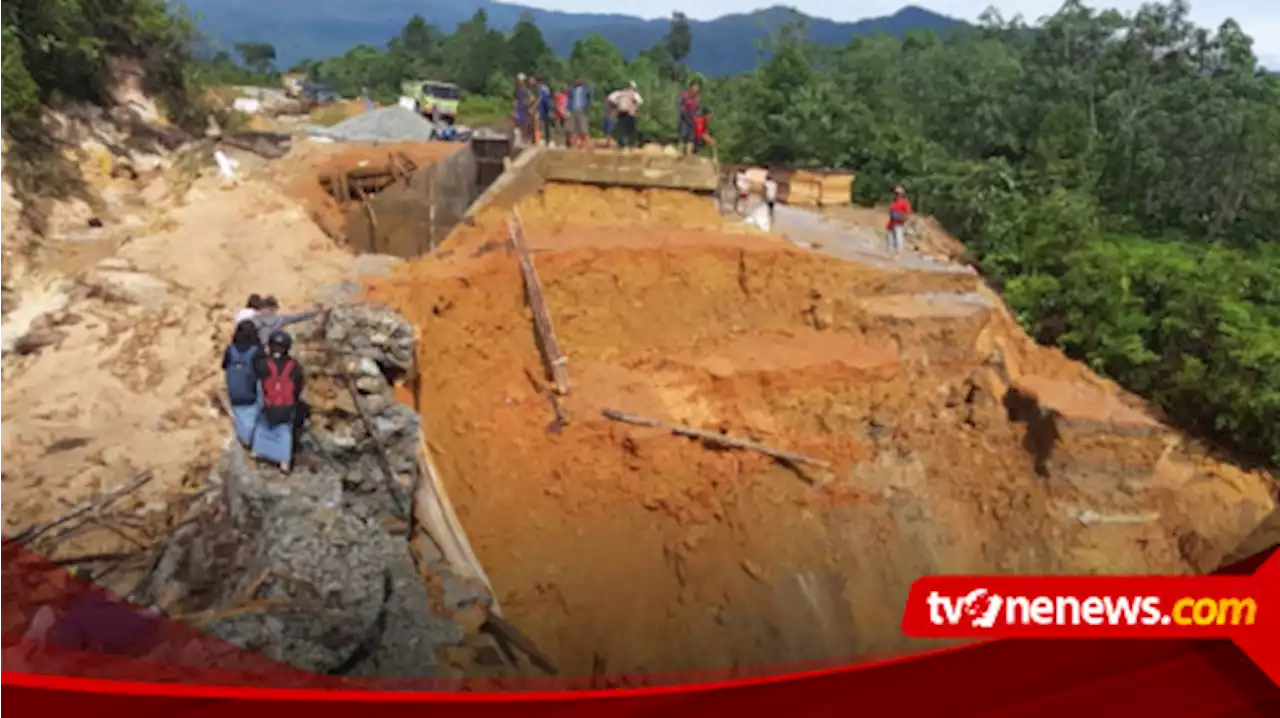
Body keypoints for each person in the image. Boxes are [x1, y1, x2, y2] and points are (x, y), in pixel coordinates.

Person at [251, 331, 305, 473]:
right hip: (286, 407)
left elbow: (255, 372)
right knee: (284, 431)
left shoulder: (264, 364)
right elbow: (299, 386)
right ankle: (284, 462)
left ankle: (257, 451)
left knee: (262, 425)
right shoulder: (295, 366)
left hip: (269, 405)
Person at [222, 320, 263, 447]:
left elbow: (224, 367)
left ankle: (244, 435)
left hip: (234, 395)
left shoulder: (230, 349)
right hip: (251, 396)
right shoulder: (256, 351)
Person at [251, 296, 326, 348]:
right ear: (272, 308)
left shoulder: (252, 319)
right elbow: (299, 316)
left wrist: (317, 311)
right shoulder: (279, 319)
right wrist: (318, 311)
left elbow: (299, 316)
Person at [607, 81, 643, 149]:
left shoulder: (618, 93)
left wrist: (616, 105)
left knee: (620, 129)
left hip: (621, 113)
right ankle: (631, 144)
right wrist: (636, 108)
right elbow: (640, 101)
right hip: (630, 114)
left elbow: (610, 98)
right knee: (631, 129)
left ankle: (620, 144)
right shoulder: (634, 94)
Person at [887, 185, 912, 254]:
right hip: (891, 223)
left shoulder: (904, 202)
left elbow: (908, 213)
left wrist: (903, 219)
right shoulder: (893, 202)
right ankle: (889, 255)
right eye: (895, 193)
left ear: (901, 194)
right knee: (890, 240)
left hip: (899, 223)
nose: (896, 195)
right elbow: (891, 212)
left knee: (898, 239)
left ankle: (898, 254)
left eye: (898, 193)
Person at [677, 81, 700, 155]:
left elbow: (697, 109)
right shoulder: (685, 95)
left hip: (693, 119)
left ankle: (689, 155)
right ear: (691, 87)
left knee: (691, 138)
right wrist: (686, 118)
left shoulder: (697, 97)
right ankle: (679, 153)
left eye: (697, 87)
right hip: (685, 118)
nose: (696, 88)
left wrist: (695, 118)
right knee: (683, 136)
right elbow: (682, 109)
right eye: (695, 87)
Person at [568, 77, 591, 148]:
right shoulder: (571, 89)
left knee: (583, 129)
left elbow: (589, 99)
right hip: (573, 110)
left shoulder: (586, 89)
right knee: (571, 129)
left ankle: (586, 144)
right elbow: (569, 99)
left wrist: (587, 109)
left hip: (582, 110)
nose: (577, 81)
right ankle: (573, 145)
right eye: (576, 80)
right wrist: (567, 109)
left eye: (579, 80)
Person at [513, 73, 529, 145]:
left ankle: (524, 140)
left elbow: (530, 98)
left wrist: (527, 105)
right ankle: (518, 140)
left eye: (519, 80)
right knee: (517, 124)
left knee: (524, 125)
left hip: (524, 109)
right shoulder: (516, 90)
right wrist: (513, 110)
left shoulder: (526, 90)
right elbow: (515, 100)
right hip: (518, 109)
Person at [537, 78, 553, 146]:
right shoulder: (546, 90)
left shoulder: (543, 90)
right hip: (544, 110)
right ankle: (546, 140)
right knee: (546, 126)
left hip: (542, 110)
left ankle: (543, 140)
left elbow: (545, 100)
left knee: (542, 126)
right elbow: (548, 101)